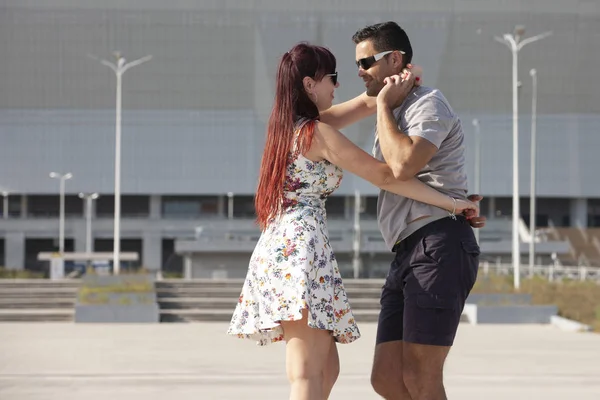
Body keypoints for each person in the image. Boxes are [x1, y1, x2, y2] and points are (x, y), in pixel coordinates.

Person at [227, 42, 479, 400]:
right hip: (299, 249)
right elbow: (387, 176)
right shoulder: (317, 134)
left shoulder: (290, 128)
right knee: (308, 371)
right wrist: (453, 203)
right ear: (310, 85)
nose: (337, 86)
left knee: (326, 368)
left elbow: (365, 103)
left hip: (283, 245)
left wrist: (397, 83)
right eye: (332, 78)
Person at [334, 21, 482, 400]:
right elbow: (327, 119)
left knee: (420, 376)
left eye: (367, 61)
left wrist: (382, 104)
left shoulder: (428, 104)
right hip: (407, 249)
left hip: (439, 244)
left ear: (395, 59)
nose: (360, 71)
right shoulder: (388, 105)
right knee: (386, 378)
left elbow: (401, 167)